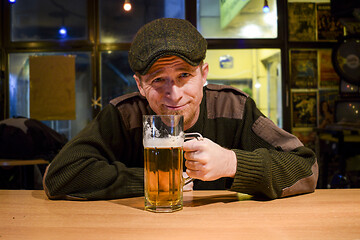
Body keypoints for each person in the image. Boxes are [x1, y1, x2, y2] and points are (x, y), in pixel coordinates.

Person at [43, 18, 318, 200]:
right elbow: (60, 175)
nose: (173, 94)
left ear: (204, 74)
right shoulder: (124, 115)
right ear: (139, 84)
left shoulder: (235, 107)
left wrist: (232, 163)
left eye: (184, 76)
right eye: (158, 79)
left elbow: (307, 167)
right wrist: (157, 182)